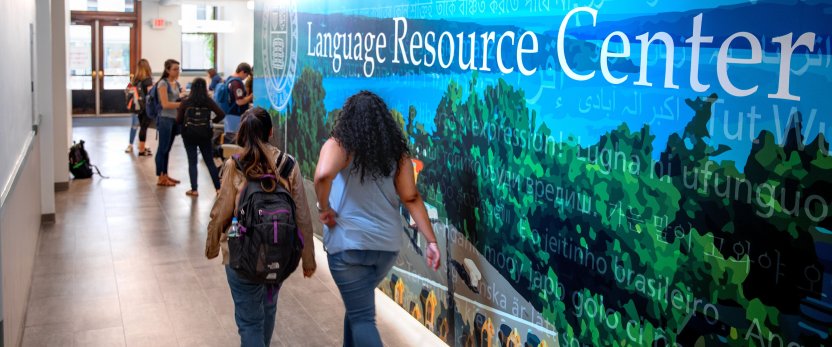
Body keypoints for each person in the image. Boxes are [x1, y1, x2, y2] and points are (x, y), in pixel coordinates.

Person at [313, 91, 441, 347]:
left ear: (348, 118)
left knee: (362, 318)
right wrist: (431, 241)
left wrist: (324, 207)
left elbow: (322, 176)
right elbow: (412, 198)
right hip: (385, 249)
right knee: (357, 307)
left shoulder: (340, 145)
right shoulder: (396, 154)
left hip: (348, 247)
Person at [206, 107, 316, 347]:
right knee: (268, 309)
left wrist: (212, 246)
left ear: (242, 135)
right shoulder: (288, 165)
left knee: (249, 323)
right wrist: (308, 259)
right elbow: (302, 217)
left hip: (241, 255)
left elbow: (221, 211)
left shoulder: (235, 165)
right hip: (277, 252)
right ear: (271, 131)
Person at [176, 77, 225, 197]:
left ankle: (194, 190)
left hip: (189, 135)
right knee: (209, 162)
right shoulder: (208, 101)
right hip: (205, 135)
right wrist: (211, 121)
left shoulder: (186, 102)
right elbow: (221, 114)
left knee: (192, 162)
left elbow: (178, 120)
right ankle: (218, 189)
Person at [155, 59, 184, 187]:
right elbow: (165, 104)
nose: (177, 71)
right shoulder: (163, 83)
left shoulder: (176, 84)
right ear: (167, 70)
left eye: (178, 68)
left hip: (174, 119)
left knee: (167, 149)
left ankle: (165, 174)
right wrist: (182, 104)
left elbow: (176, 99)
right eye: (174, 69)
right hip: (165, 119)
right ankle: (160, 176)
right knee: (162, 148)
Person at [125, 59, 154, 156]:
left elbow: (127, 90)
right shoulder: (148, 80)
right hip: (146, 107)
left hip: (137, 107)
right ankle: (141, 150)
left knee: (140, 126)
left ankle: (138, 146)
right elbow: (151, 95)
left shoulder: (134, 80)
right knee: (144, 128)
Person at [222, 63, 253, 143]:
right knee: (234, 139)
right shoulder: (236, 83)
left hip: (228, 113)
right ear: (242, 72)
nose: (246, 77)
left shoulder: (229, 79)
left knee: (229, 136)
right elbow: (239, 101)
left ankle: (229, 154)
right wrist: (251, 97)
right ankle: (233, 155)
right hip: (235, 115)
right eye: (246, 75)